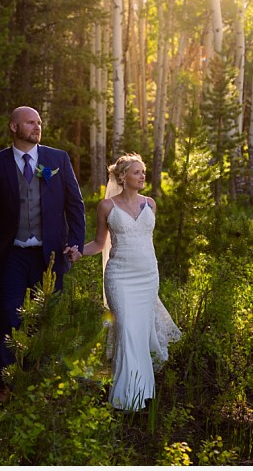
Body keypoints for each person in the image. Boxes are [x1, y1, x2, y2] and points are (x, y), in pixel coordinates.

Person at [0, 106, 85, 402]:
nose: (37, 126)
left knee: (49, 318)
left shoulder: (57, 159)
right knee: (6, 315)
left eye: (39, 122)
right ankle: (3, 384)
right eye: (30, 122)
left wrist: (76, 243)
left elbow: (75, 205)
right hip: (10, 255)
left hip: (49, 256)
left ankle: (44, 382)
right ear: (13, 127)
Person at [68, 153, 181, 411]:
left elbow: (145, 240)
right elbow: (99, 244)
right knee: (127, 330)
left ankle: (143, 392)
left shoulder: (150, 204)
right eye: (137, 172)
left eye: (143, 172)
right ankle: (124, 398)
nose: (143, 176)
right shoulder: (107, 207)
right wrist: (78, 252)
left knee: (139, 334)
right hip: (119, 277)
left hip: (147, 277)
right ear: (122, 177)